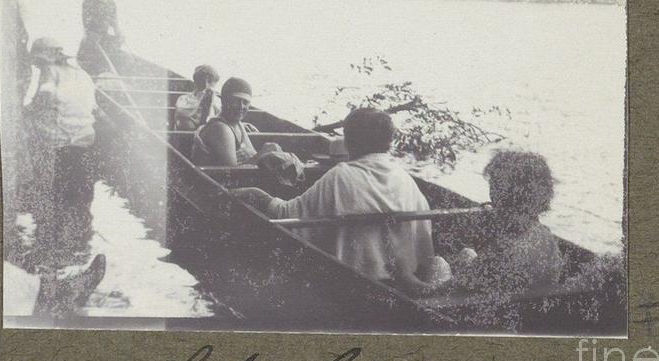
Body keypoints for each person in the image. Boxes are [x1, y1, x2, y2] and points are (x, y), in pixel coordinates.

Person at [232, 108, 449, 295]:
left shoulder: (341, 176)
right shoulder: (404, 177)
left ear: (349, 142)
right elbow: (424, 243)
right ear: (388, 143)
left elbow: (287, 215)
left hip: (360, 279)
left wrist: (257, 194)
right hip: (402, 276)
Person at [24, 37, 99, 268]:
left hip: (61, 140)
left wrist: (27, 111)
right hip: (85, 139)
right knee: (81, 194)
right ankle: (82, 245)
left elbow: (45, 96)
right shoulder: (82, 74)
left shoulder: (50, 71)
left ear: (45, 56)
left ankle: (55, 255)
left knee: (59, 194)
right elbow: (93, 106)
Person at [450, 150, 563, 295]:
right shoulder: (547, 238)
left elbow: (434, 291)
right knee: (467, 255)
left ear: (500, 194)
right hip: (527, 312)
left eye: (494, 186)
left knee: (440, 264)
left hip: (486, 313)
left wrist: (410, 278)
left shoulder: (502, 251)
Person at [191, 77, 258, 166]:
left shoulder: (237, 123)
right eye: (236, 101)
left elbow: (252, 153)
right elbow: (232, 172)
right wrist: (263, 154)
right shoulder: (220, 128)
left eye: (245, 102)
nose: (241, 107)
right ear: (224, 100)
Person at [77, 0, 124, 75]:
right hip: (92, 37)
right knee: (90, 58)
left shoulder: (111, 3)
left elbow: (115, 22)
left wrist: (119, 33)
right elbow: (86, 23)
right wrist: (91, 35)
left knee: (116, 52)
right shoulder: (88, 2)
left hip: (105, 37)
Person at [174, 64, 222, 131]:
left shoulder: (182, 99)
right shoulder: (214, 100)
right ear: (207, 81)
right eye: (213, 82)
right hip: (196, 135)